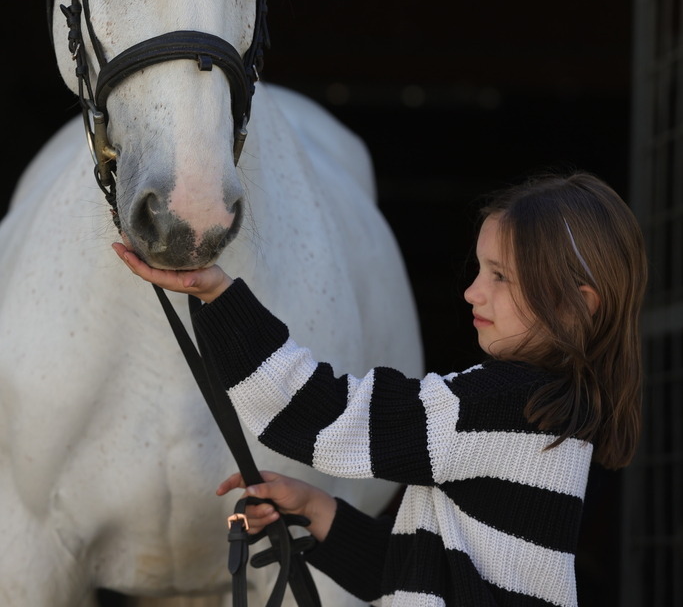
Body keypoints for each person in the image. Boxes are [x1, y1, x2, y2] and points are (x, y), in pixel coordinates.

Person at [113, 170, 647, 607]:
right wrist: (318, 510)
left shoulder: (502, 406)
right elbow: (427, 580)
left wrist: (218, 295)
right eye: (481, 270)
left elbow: (323, 414)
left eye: (500, 277)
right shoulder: (550, 417)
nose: (471, 291)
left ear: (579, 304)